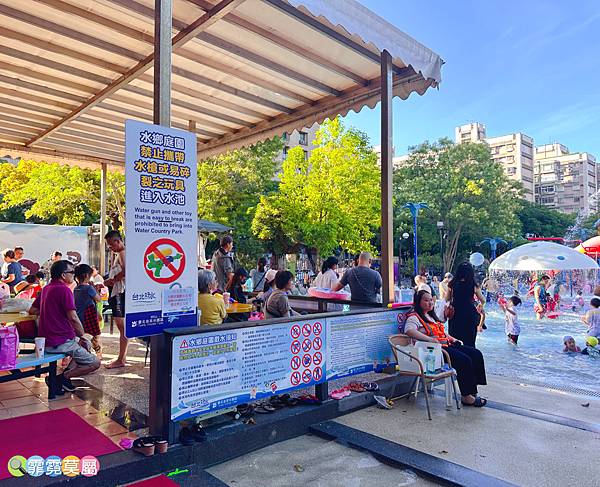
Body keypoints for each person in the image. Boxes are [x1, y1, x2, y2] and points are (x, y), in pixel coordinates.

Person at [403, 290, 487, 407]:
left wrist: (452, 338)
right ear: (418, 302)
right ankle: (466, 396)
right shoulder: (414, 317)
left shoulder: (432, 317)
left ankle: (473, 388)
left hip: (447, 345)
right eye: (426, 300)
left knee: (476, 354)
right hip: (434, 351)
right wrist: (429, 339)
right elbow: (409, 331)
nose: (430, 303)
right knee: (464, 360)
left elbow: (441, 333)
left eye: (431, 300)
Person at [28, 260, 100, 394]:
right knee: (95, 363)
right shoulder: (64, 290)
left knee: (82, 345)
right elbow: (73, 317)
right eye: (71, 272)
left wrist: (50, 310)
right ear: (63, 275)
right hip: (61, 341)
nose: (74, 275)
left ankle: (64, 379)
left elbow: (32, 310)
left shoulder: (46, 289)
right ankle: (60, 378)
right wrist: (84, 337)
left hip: (47, 339)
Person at [447, 262, 486, 348]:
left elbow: (447, 299)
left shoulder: (452, 284)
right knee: (470, 342)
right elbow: (483, 300)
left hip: (455, 315)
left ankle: (456, 359)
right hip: (469, 315)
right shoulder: (474, 285)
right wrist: (480, 305)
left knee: (454, 341)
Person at [104, 230, 127, 369]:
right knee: (122, 327)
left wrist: (112, 281)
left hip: (119, 292)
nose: (110, 248)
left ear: (117, 241)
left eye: (111, 245)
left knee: (122, 327)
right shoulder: (121, 253)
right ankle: (121, 357)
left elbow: (126, 271)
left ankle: (121, 359)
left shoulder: (123, 253)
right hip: (118, 292)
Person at [74, 264, 103, 358]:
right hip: (89, 316)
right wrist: (96, 290)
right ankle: (97, 354)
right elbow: (98, 299)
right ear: (87, 275)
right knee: (95, 336)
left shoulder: (76, 289)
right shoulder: (89, 288)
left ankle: (82, 353)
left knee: (81, 337)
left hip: (79, 316)